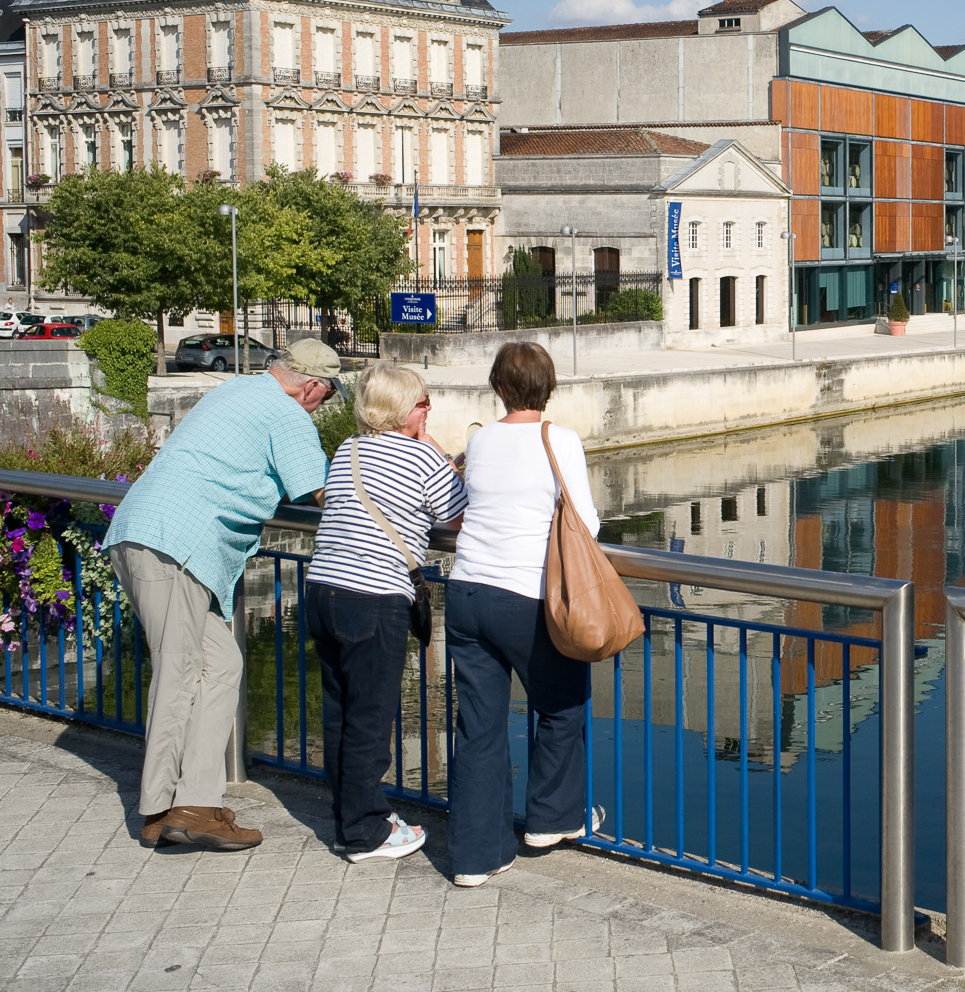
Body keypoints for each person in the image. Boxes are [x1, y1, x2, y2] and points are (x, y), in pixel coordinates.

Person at [104, 338, 340, 850]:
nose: (323, 405)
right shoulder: (287, 414)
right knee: (179, 674)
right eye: (327, 394)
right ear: (313, 387)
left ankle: (196, 801)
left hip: (146, 534)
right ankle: (162, 811)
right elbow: (323, 494)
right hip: (172, 545)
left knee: (222, 664)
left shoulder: (237, 391)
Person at [445, 342, 602, 887]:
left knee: (479, 728)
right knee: (561, 705)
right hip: (523, 596)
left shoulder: (480, 439)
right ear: (549, 386)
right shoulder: (559, 439)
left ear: (497, 387)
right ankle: (551, 819)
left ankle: (474, 858)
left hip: (466, 593)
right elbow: (588, 523)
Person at [306, 363, 466, 863]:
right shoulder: (421, 458)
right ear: (401, 412)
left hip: (323, 588)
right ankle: (364, 833)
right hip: (373, 597)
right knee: (371, 719)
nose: (429, 409)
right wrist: (442, 457)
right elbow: (459, 517)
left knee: (341, 712)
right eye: (423, 402)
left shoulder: (346, 449)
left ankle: (349, 816)